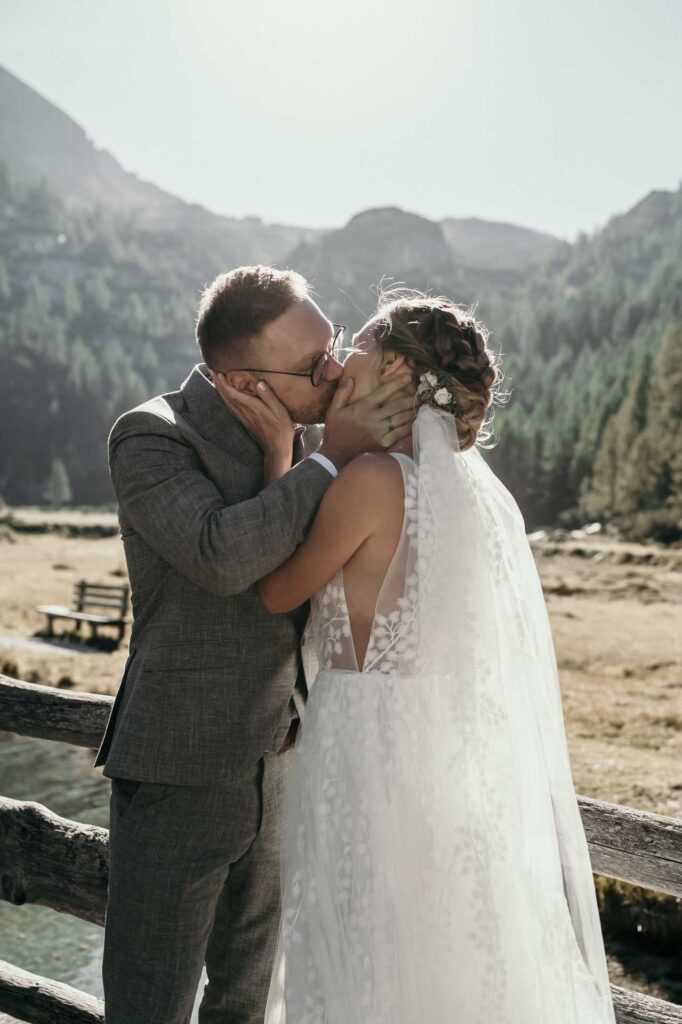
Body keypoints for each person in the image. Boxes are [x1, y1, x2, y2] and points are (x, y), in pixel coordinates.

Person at [230, 288, 617, 1023]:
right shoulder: (470, 501)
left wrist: (283, 457)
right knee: (430, 950)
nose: (343, 360)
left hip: (363, 748)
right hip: (437, 755)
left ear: (398, 373)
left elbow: (277, 591)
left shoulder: (371, 481)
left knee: (360, 948)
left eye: (363, 346)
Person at [93, 265, 416, 1024]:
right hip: (179, 772)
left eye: (331, 348)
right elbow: (222, 556)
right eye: (312, 366)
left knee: (245, 1005)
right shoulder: (151, 437)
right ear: (241, 379)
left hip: (281, 764)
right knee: (150, 1006)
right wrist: (330, 458)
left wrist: (308, 456)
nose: (334, 372)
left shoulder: (301, 438)